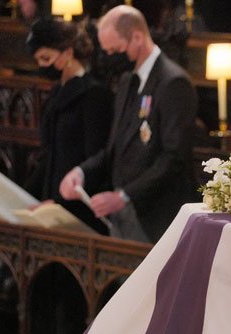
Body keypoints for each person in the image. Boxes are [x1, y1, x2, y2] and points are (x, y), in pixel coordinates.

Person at [59, 5, 199, 243]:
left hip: (157, 216)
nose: (111, 57)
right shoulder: (126, 81)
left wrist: (124, 196)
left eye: (115, 49)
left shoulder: (173, 83)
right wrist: (81, 172)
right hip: (123, 214)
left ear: (136, 37)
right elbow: (115, 147)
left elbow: (173, 157)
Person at [24, 17, 113, 234]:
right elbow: (49, 154)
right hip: (50, 206)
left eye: (46, 58)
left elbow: (96, 159)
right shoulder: (56, 93)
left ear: (68, 53)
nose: (42, 66)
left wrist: (59, 202)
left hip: (78, 209)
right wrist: (26, 197)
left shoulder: (94, 95)